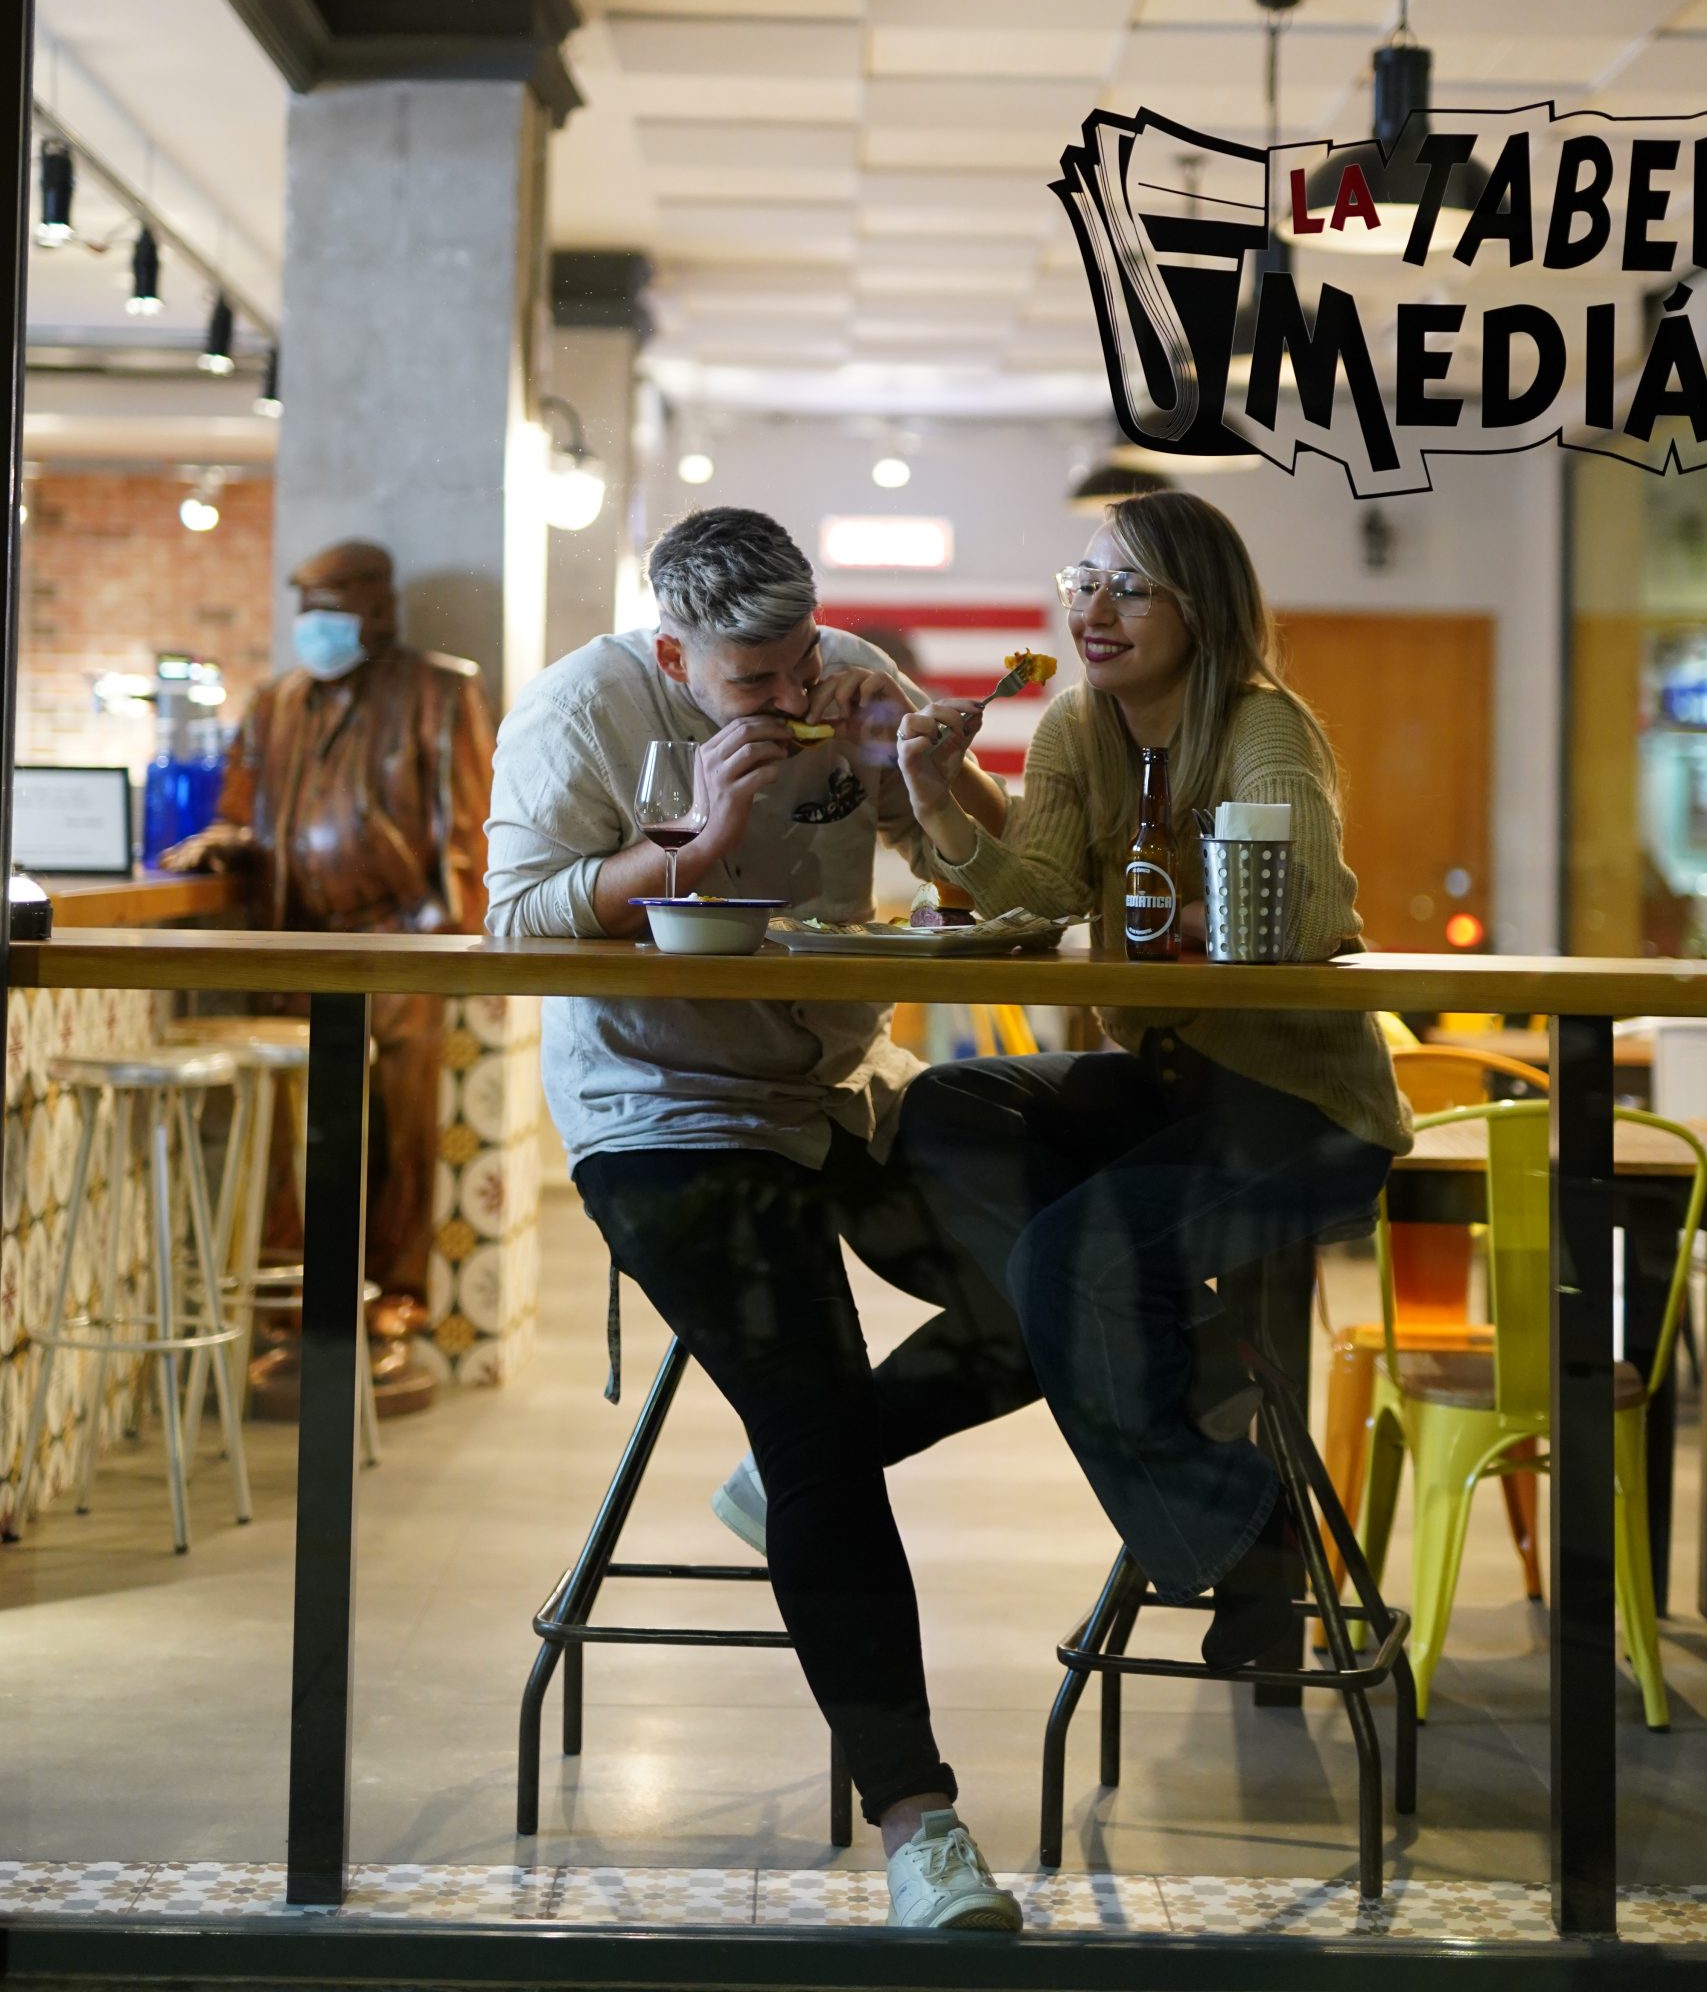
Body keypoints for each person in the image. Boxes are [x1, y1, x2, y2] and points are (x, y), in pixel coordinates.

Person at [484, 507, 1029, 1932]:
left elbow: (979, 877)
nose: (790, 695)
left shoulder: (851, 678)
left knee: (1066, 1277)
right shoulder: (582, 710)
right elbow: (516, 920)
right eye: (752, 679)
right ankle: (920, 1824)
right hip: (662, 1108)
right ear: (675, 654)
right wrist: (697, 841)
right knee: (813, 1420)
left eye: (799, 661)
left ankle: (797, 1468)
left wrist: (928, 780)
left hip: (841, 1083)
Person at [890, 490, 1410, 1667]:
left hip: (1308, 1111)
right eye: (1084, 584)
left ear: (1202, 608)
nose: (1095, 610)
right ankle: (1191, 1371)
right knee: (947, 1107)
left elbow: (1309, 915)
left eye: (1130, 588)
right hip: (1176, 1088)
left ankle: (1243, 1531)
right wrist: (935, 799)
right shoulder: (1077, 726)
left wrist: (1198, 912)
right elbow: (1037, 898)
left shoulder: (1266, 728)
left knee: (1070, 1262)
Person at [160, 539, 496, 1324]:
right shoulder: (276, 701)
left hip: (400, 943)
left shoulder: (437, 690)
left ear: (379, 610)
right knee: (302, 1133)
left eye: (333, 609)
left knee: (397, 1131)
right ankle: (297, 1296)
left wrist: (442, 937)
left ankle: (398, 1291)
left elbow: (468, 820)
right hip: (295, 942)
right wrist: (224, 840)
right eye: (306, 609)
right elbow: (241, 804)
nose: (316, 625)